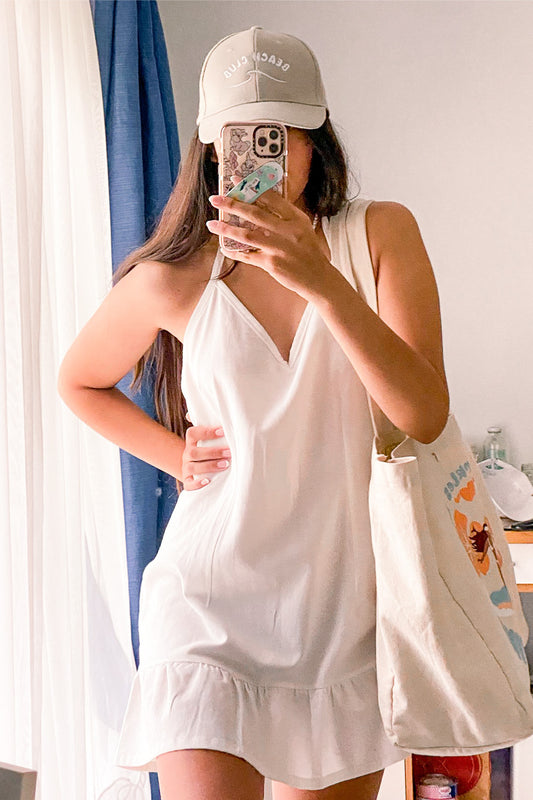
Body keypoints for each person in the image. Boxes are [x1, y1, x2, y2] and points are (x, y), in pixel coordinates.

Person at [57, 25, 450, 800]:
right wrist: (175, 457)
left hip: (344, 615)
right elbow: (80, 382)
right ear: (210, 149)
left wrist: (321, 279)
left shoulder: (378, 234)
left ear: (314, 139)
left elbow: (423, 414)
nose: (262, 158)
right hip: (206, 611)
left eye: (279, 135)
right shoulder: (175, 278)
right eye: (240, 138)